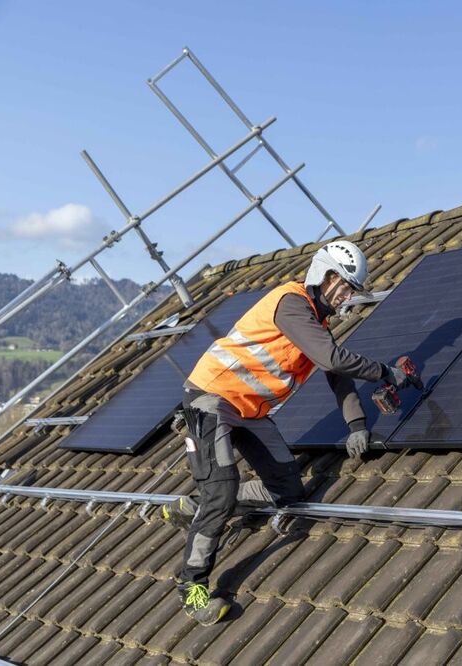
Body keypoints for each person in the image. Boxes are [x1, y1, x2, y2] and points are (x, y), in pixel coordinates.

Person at [162, 240, 416, 625]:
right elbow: (331, 358)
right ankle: (192, 587)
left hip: (250, 411)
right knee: (223, 488)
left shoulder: (316, 322)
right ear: (323, 274)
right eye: (344, 286)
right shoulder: (291, 303)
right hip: (211, 398)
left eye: (351, 290)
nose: (346, 297)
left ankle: (195, 506)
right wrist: (385, 372)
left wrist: (357, 425)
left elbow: (337, 374)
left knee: (289, 491)